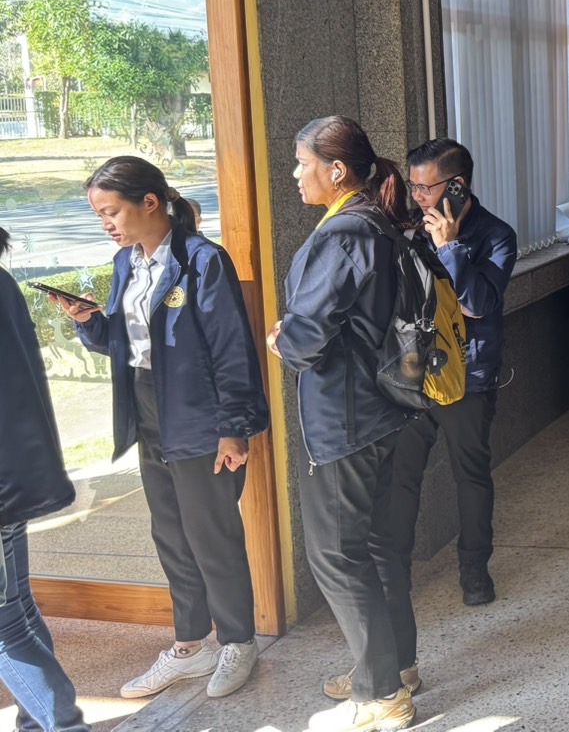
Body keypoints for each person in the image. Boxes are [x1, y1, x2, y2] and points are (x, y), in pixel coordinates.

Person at [52, 158, 268, 702]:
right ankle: (191, 646)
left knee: (212, 535)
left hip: (200, 417)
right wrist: (90, 324)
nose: (106, 223)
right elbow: (127, 342)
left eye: (111, 211)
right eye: (99, 215)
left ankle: (239, 642)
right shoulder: (126, 261)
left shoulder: (202, 261)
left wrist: (234, 428)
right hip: (149, 412)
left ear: (150, 203)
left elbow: (231, 350)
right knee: (170, 535)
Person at [267, 116, 417, 732]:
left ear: (336, 170)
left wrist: (281, 340)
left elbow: (307, 336)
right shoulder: (377, 221)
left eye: (302, 163)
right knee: (374, 550)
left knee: (336, 556)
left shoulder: (344, 233)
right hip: (382, 410)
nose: (294, 174)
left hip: (346, 418)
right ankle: (393, 668)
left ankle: (382, 697)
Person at [379, 138, 517, 621]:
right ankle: (394, 574)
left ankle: (475, 571)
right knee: (401, 477)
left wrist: (450, 247)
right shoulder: (408, 229)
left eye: (426, 187)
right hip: (412, 374)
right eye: (413, 185)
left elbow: (477, 304)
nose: (417, 196)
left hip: (468, 375)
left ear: (456, 185)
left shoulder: (495, 235)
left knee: (470, 475)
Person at [1, 224, 93, 732]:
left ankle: (63, 726)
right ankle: (35, 724)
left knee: (5, 627)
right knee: (17, 611)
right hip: (13, 477)